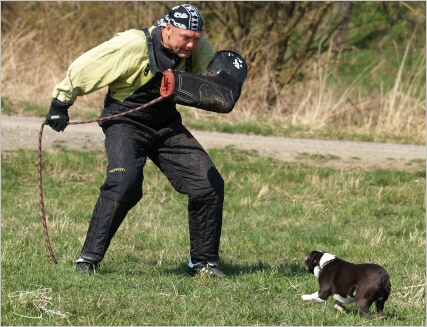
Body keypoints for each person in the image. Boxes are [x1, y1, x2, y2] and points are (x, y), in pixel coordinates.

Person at [45, 4, 247, 278]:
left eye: (195, 39)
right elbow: (86, 66)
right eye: (184, 37)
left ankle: (202, 264)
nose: (190, 45)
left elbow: (214, 86)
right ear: (167, 29)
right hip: (125, 122)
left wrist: (227, 80)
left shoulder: (198, 47)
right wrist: (61, 103)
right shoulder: (132, 45)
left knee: (207, 184)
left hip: (166, 124)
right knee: (124, 183)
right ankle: (87, 260)